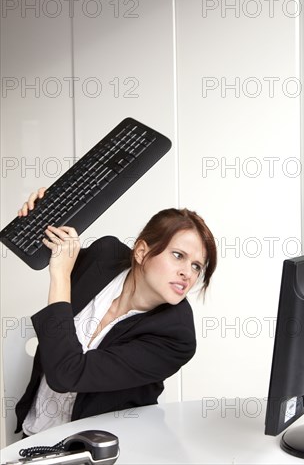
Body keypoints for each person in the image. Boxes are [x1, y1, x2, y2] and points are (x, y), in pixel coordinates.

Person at [15, 187, 217, 436]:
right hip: (33, 434)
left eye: (197, 266)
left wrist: (60, 276)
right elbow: (56, 250)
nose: (188, 273)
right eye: (178, 255)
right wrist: (41, 218)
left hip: (106, 451)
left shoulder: (176, 336)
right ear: (142, 252)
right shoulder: (104, 256)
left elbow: (67, 374)